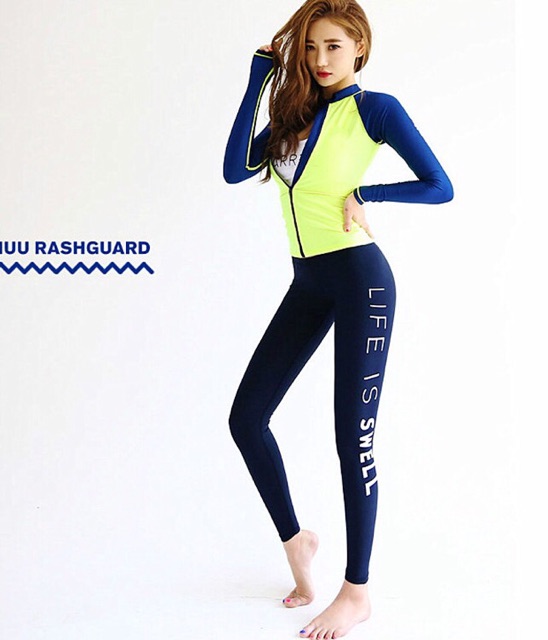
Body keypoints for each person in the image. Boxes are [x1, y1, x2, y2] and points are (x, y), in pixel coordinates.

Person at [223, 1, 453, 637]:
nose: (320, 59)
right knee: (246, 419)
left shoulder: (375, 109)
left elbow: (439, 185)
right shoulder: (294, 117)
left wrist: (367, 193)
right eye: (311, 47)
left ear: (359, 49)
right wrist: (257, 83)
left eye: (333, 46)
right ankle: (297, 543)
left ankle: (356, 592)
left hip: (360, 281)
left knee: (352, 437)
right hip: (308, 282)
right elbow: (234, 169)